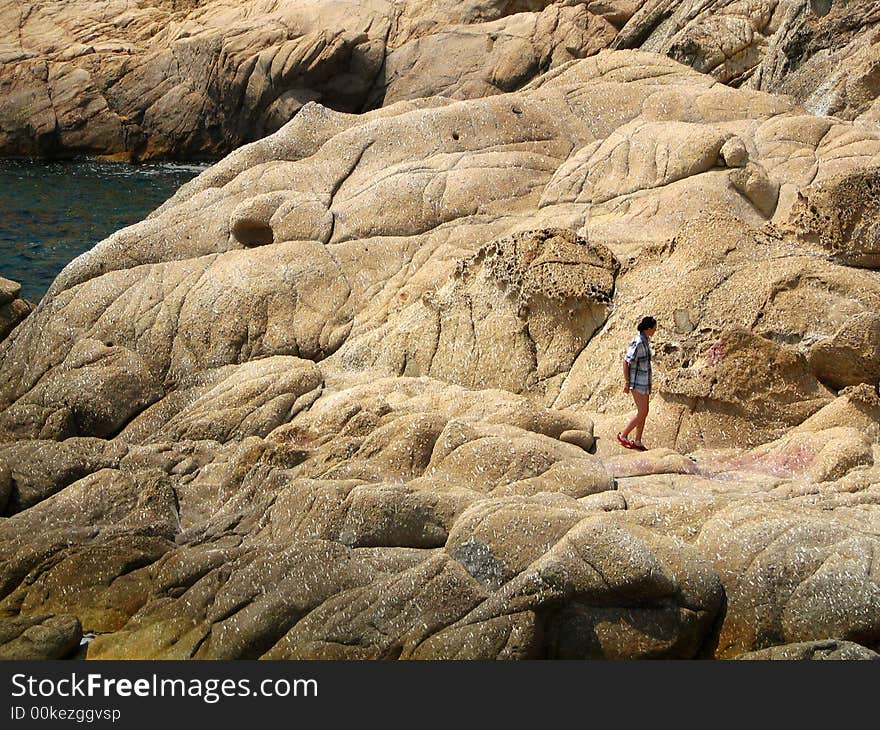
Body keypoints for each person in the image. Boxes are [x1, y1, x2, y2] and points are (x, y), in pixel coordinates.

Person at [617, 316, 657, 451]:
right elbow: (626, 361)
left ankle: (638, 440)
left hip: (644, 382)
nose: (655, 330)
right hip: (637, 383)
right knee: (642, 412)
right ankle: (623, 435)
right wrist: (627, 382)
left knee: (644, 412)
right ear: (648, 329)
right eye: (654, 328)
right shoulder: (638, 342)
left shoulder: (645, 340)